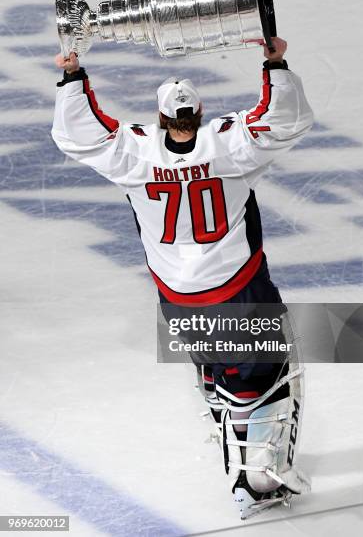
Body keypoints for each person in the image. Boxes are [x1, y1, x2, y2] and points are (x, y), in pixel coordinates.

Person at [52, 38, 314, 519]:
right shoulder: (228, 144)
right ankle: (255, 479)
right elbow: (285, 119)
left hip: (177, 296)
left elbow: (80, 134)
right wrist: (274, 63)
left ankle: (231, 439)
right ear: (200, 111)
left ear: (160, 118)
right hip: (239, 288)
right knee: (264, 376)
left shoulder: (135, 152)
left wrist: (73, 76)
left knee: (217, 371)